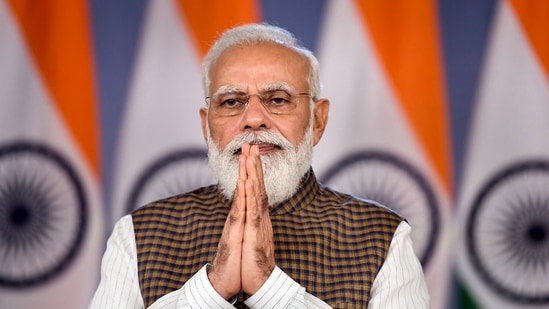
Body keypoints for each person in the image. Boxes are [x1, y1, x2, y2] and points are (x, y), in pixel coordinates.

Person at [89, 23, 429, 308]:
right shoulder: (139, 232)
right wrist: (212, 289)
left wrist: (270, 288)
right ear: (207, 126)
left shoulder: (382, 236)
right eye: (232, 102)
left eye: (278, 100)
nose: (253, 119)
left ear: (318, 120)